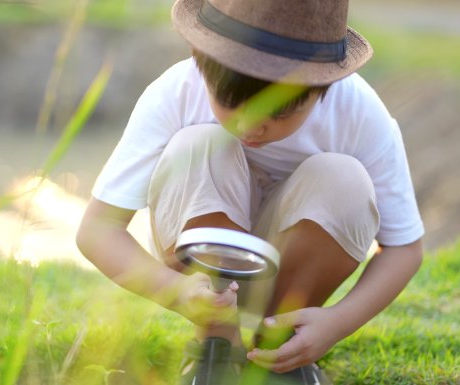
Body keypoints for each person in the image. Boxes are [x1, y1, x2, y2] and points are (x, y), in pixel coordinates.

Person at [76, 0, 424, 383]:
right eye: (229, 102)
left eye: (279, 112)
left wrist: (337, 322)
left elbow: (404, 248)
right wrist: (177, 292)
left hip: (293, 274)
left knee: (345, 178)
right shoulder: (175, 93)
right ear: (200, 58)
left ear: (326, 83)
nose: (251, 127)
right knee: (199, 145)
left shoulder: (359, 113)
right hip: (202, 269)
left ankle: (280, 348)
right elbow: (98, 229)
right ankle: (218, 345)